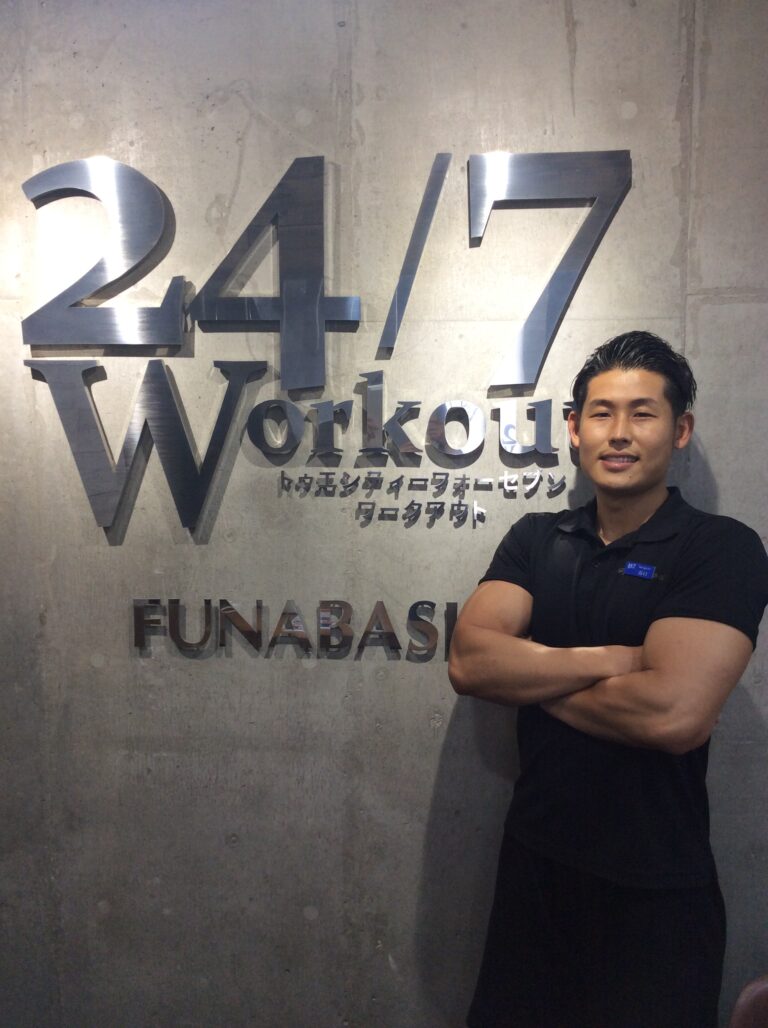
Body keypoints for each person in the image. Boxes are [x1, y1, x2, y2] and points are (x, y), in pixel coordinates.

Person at [449, 331, 768, 1028]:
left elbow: (673, 714)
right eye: (601, 413)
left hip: (656, 893)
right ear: (574, 428)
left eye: (643, 413)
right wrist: (614, 660)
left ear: (680, 430)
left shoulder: (722, 549)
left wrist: (530, 671)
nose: (619, 433)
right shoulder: (536, 539)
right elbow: (470, 662)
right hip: (533, 875)